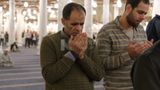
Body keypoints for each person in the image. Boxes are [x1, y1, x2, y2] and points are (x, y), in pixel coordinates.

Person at [40, 2, 104, 90]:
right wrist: (72, 53)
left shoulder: (89, 42)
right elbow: (49, 76)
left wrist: (81, 56)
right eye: (74, 24)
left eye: (81, 24)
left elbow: (99, 74)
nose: (78, 28)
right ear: (63, 21)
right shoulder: (49, 41)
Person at [96, 0, 153, 90]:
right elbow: (101, 65)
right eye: (140, 12)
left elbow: (140, 61)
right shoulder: (106, 31)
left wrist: (148, 53)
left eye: (145, 14)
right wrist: (128, 55)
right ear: (128, 8)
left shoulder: (141, 29)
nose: (143, 17)